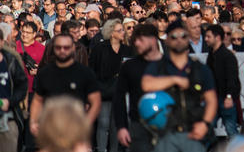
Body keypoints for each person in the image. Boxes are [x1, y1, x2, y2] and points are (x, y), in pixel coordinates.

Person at [142, 20, 218, 152]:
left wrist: (205, 124)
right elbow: (146, 84)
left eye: (183, 36)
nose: (179, 40)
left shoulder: (199, 68)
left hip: (193, 132)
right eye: (174, 36)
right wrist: (174, 80)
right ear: (167, 41)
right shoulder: (158, 66)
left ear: (188, 38)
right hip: (166, 134)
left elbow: (211, 99)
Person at [30, 33, 102, 138]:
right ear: (54, 48)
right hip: (51, 127)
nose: (62, 50)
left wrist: (86, 123)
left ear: (73, 48)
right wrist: (33, 121)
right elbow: (37, 100)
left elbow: (96, 103)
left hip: (76, 127)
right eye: (59, 47)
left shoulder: (85, 73)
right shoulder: (46, 73)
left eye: (66, 47)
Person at [114, 24, 163, 152]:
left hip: (167, 126)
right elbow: (119, 97)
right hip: (138, 125)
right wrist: (121, 127)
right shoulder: (129, 66)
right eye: (135, 40)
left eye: (141, 40)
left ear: (153, 40)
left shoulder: (168, 64)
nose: (136, 43)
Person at [89, 19, 133, 152]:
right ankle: (102, 149)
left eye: (122, 30)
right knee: (103, 123)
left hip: (120, 90)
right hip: (103, 89)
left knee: (115, 125)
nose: (122, 32)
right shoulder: (100, 48)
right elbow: (92, 69)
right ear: (111, 33)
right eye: (119, 30)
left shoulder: (126, 50)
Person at [204, 25, 240, 138]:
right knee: (207, 131)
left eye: (208, 36)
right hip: (213, 99)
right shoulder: (211, 55)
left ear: (217, 37)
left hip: (224, 99)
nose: (206, 39)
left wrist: (229, 96)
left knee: (231, 130)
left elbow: (232, 77)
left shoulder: (227, 56)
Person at [16, 21, 46, 152]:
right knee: (17, 120)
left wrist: (39, 70)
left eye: (28, 33)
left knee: (32, 120)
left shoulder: (42, 49)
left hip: (33, 90)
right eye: (24, 32)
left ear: (35, 34)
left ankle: (29, 147)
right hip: (17, 90)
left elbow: (47, 69)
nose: (25, 35)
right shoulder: (14, 46)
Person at [0, 27, 28, 152]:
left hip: (8, 117)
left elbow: (22, 86)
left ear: (2, 41)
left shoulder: (11, 60)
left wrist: (9, 102)